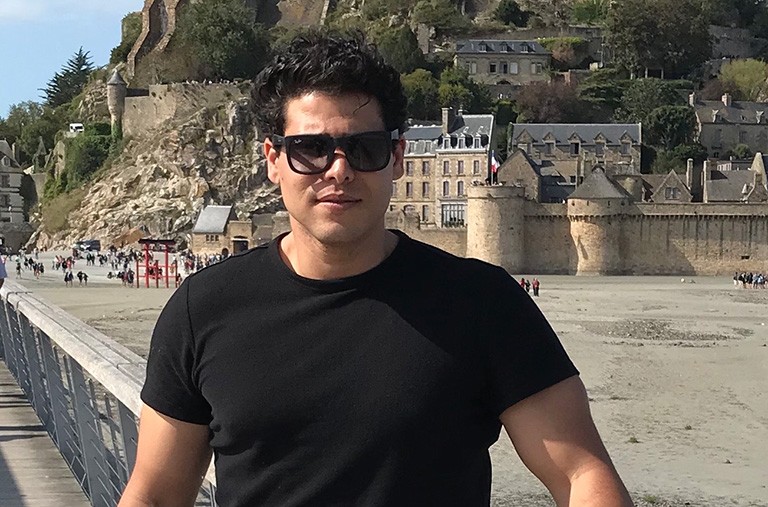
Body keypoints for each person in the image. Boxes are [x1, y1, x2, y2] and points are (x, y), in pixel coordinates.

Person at [120, 32, 631, 507]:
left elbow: (581, 474)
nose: (338, 169)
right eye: (311, 149)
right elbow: (156, 494)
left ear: (398, 158)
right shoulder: (203, 307)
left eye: (364, 148)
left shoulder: (481, 303)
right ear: (273, 159)